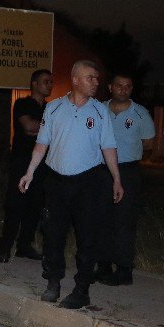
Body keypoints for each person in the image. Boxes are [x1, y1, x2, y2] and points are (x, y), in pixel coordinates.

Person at [19, 60, 123, 309]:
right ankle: (53, 281)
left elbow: (108, 146)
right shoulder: (54, 109)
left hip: (88, 182)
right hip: (56, 180)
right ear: (76, 80)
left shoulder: (100, 112)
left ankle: (81, 289)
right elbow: (42, 144)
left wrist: (116, 178)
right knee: (53, 234)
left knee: (87, 237)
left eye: (97, 79)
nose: (96, 83)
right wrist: (30, 172)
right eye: (91, 78)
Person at [95, 73, 155, 286]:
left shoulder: (140, 113)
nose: (123, 89)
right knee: (102, 219)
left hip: (128, 172)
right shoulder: (98, 108)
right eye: (119, 85)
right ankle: (102, 266)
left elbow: (148, 144)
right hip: (101, 171)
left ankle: (123, 269)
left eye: (128, 86)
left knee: (124, 221)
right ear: (110, 87)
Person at [0, 68, 54, 262]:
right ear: (34, 84)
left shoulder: (51, 108)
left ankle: (24, 245)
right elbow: (29, 127)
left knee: (35, 205)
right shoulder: (22, 103)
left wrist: (44, 128)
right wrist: (49, 127)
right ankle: (5, 246)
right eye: (45, 82)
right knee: (15, 203)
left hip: (44, 163)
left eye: (50, 82)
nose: (49, 86)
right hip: (22, 160)